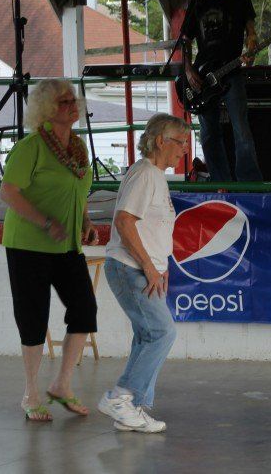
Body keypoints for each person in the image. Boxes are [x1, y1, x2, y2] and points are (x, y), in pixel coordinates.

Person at [0, 79, 99, 421]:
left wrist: (85, 220)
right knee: (33, 317)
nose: (73, 105)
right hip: (28, 245)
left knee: (85, 309)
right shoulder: (30, 147)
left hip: (67, 245)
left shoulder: (78, 147)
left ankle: (62, 385)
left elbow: (80, 190)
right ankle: (30, 393)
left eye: (74, 99)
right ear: (46, 109)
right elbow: (9, 193)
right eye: (64, 101)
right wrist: (45, 222)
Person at [97, 114, 188, 433]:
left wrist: (160, 266)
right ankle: (121, 397)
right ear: (161, 140)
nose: (184, 149)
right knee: (163, 332)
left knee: (147, 335)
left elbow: (151, 228)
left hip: (144, 269)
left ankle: (131, 408)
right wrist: (149, 266)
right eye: (180, 141)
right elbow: (124, 222)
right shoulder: (146, 175)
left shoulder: (154, 176)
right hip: (130, 268)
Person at [183, 0, 262, 182]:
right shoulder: (196, 3)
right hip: (203, 74)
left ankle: (249, 184)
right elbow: (185, 41)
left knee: (242, 130)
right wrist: (188, 70)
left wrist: (252, 47)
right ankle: (220, 183)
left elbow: (251, 32)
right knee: (208, 134)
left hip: (232, 70)